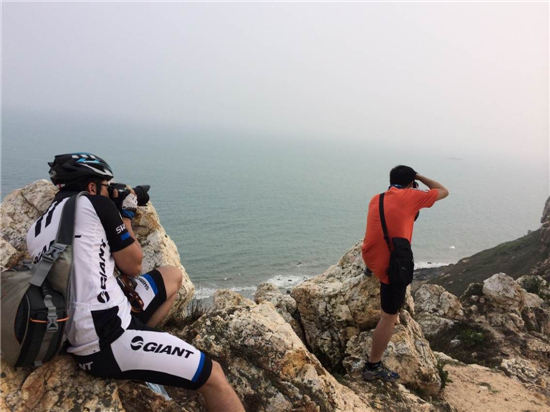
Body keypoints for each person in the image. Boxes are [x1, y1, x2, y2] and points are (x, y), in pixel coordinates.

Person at [27, 153, 245, 412]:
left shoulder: (38, 227)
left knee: (172, 276)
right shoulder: (96, 204)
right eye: (107, 185)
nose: (110, 190)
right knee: (214, 376)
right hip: (106, 340)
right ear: (92, 187)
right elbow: (133, 266)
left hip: (81, 327)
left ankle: (142, 349)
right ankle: (134, 355)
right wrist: (125, 214)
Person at [361, 165, 449, 382]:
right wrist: (418, 176)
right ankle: (373, 366)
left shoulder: (377, 198)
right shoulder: (411, 197)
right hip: (390, 267)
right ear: (411, 183)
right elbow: (443, 191)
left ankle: (370, 270)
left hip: (370, 256)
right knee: (389, 316)